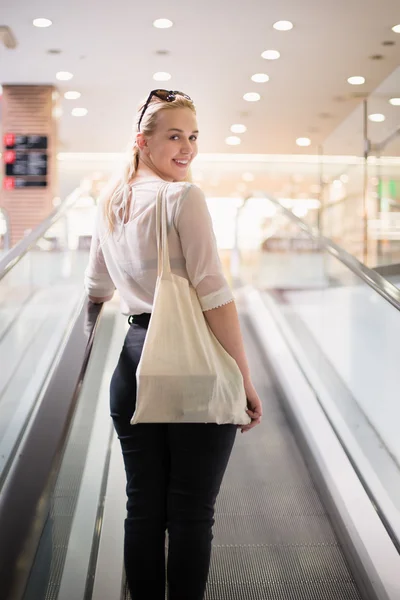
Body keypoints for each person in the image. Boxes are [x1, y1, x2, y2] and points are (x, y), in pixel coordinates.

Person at [84, 89, 263, 600]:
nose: (187, 148)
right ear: (142, 142)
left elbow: (95, 290)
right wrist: (244, 380)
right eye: (174, 136)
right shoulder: (185, 198)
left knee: (142, 507)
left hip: (133, 364)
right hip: (192, 365)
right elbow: (215, 296)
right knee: (190, 513)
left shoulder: (110, 200)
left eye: (193, 137)